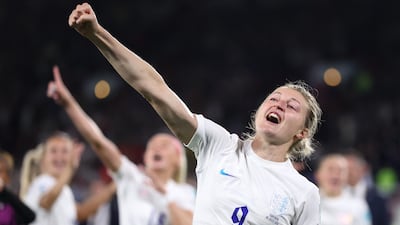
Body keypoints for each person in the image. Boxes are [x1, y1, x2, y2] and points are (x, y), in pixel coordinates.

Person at [68, 3, 322, 224]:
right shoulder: (219, 146)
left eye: (292, 106)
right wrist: (97, 34)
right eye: (274, 98)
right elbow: (154, 89)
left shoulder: (304, 194)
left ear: (302, 132)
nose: (278, 104)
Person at [47, 66, 195, 225]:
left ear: (178, 159)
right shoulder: (131, 177)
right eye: (151, 146)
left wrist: (165, 196)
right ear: (144, 157)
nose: (156, 148)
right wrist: (69, 103)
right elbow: (99, 142)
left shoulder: (184, 193)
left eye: (164, 145)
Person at [19, 132, 116, 225]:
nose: (59, 156)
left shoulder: (64, 190)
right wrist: (70, 168)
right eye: (53, 151)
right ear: (42, 159)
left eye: (65, 151)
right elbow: (45, 202)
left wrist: (114, 187)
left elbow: (81, 213)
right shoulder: (42, 181)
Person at [315, 153, 372, 225]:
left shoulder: (359, 206)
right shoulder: (307, 202)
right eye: (330, 169)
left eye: (340, 170)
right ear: (318, 174)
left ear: (347, 176)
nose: (335, 175)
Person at [344, 150, 391, 225]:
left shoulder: (377, 198)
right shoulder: (333, 194)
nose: (348, 173)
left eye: (351, 168)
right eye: (344, 169)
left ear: (362, 169)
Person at [0, 150, 36, 225]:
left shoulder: (9, 199)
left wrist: (3, 191)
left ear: (7, 177)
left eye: (0, 171)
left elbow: (30, 216)